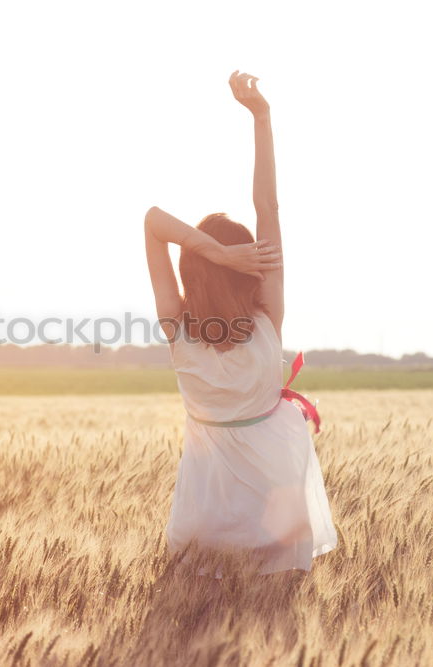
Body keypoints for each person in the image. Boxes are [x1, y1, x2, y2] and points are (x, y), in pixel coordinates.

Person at [143, 71, 338, 579]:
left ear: (191, 271)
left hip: (203, 511)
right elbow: (268, 206)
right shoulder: (267, 314)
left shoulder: (177, 328)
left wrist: (213, 251)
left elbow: (153, 220)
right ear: (244, 261)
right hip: (277, 508)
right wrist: (262, 117)